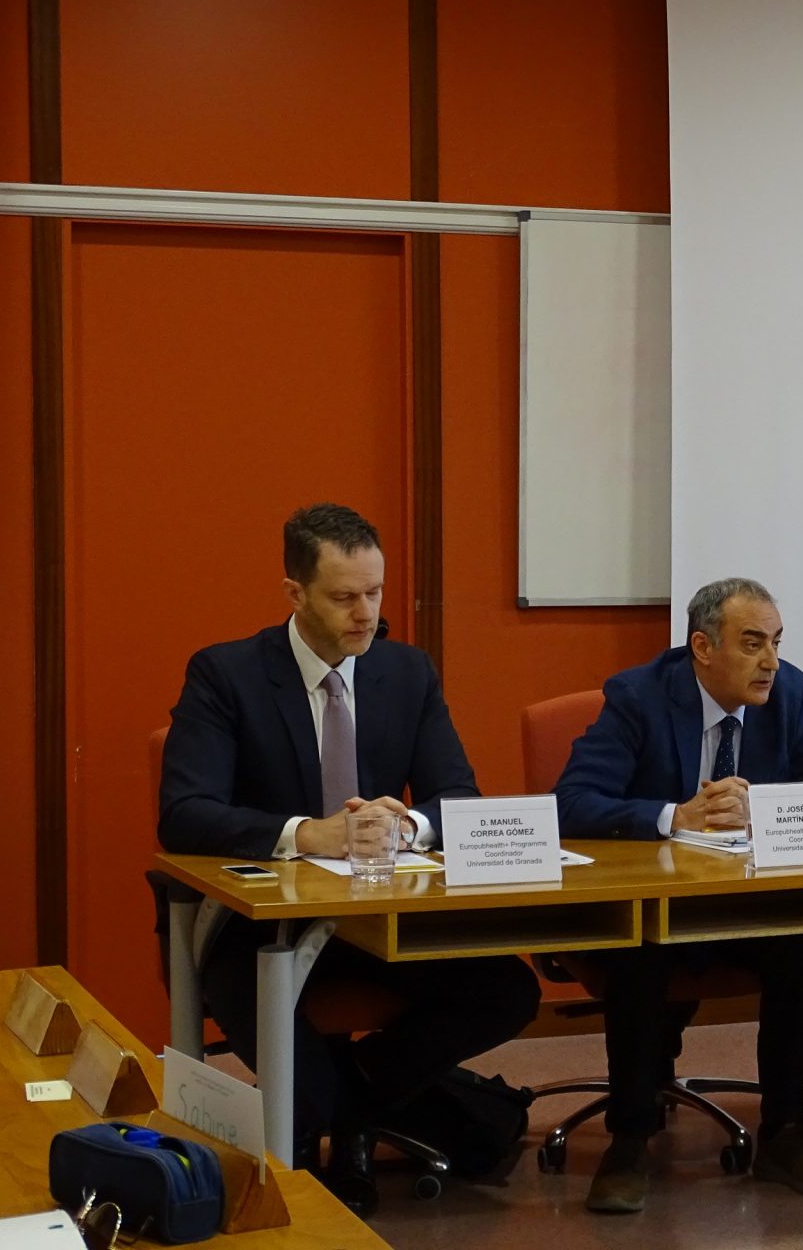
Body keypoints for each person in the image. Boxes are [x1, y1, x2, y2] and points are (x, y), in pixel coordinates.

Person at [159, 504, 541, 1217]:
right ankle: (341, 1126)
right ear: (295, 593)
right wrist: (310, 834)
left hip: (375, 917)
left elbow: (456, 796)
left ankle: (355, 1102)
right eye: (344, 597)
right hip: (255, 928)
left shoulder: (406, 672)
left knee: (508, 990)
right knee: (291, 1072)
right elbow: (185, 813)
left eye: (374, 592)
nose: (366, 614)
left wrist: (408, 824)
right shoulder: (226, 674)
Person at [555, 578, 803, 1213]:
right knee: (641, 951)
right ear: (702, 647)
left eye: (776, 642)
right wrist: (676, 817)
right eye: (752, 644)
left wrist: (762, 810)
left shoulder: (789, 692)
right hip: (656, 906)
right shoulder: (639, 696)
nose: (770, 661)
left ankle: (784, 1131)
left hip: (741, 906)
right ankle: (629, 1139)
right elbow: (572, 801)